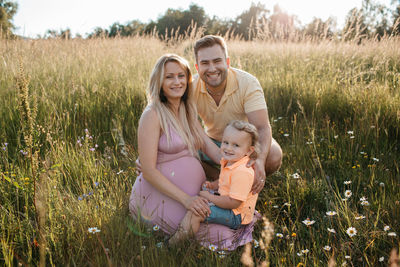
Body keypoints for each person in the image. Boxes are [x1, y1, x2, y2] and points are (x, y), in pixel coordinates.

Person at [129, 54, 259, 250]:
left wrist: (243, 163)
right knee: (221, 234)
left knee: (236, 219)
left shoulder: (187, 108)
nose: (177, 82)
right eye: (169, 77)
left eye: (181, 76)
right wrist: (187, 200)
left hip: (195, 192)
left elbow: (210, 148)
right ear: (159, 81)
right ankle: (168, 250)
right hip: (162, 194)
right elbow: (148, 171)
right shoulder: (152, 115)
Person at [193, 35, 283, 194]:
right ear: (197, 67)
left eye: (217, 61)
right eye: (205, 63)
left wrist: (260, 161)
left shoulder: (247, 83)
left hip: (243, 141)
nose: (212, 68)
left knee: (273, 155)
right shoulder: (190, 86)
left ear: (227, 62)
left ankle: (244, 180)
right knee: (184, 151)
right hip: (210, 140)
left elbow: (262, 127)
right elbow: (168, 119)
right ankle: (221, 181)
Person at [169, 120, 260, 245]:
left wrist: (210, 196)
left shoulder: (242, 172)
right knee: (200, 197)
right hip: (228, 202)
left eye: (236, 145)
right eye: (225, 142)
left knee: (197, 211)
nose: (228, 148)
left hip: (236, 215)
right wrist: (213, 185)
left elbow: (233, 203)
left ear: (249, 151)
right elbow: (225, 179)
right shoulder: (231, 160)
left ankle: (173, 244)